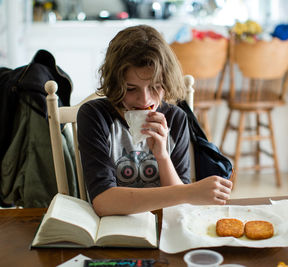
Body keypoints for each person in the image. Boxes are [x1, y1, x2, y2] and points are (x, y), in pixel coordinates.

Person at [77, 25, 232, 216]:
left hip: (163, 225)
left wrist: (162, 156)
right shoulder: (95, 116)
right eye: (131, 89)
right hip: (114, 228)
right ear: (115, 85)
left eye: (155, 87)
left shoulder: (176, 118)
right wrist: (189, 192)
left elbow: (178, 206)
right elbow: (103, 202)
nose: (145, 100)